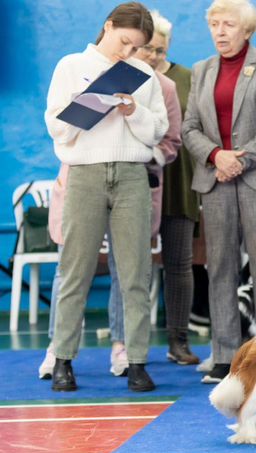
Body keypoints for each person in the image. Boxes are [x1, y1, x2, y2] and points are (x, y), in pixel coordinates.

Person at [44, 1, 168, 392]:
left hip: (132, 174)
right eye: (125, 41)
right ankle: (63, 359)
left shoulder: (143, 74)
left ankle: (136, 362)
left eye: (136, 48)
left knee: (135, 272)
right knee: (75, 269)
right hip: (85, 173)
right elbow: (57, 127)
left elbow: (158, 131)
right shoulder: (69, 66)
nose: (128, 53)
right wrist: (90, 106)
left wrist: (133, 111)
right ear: (108, 26)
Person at [183, 0, 256, 384]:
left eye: (228, 24)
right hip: (216, 180)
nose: (219, 31)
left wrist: (240, 160)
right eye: (214, 24)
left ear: (247, 30)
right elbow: (189, 128)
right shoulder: (201, 71)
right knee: (220, 268)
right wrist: (217, 156)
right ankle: (225, 354)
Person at [139, 10, 202, 365]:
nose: (152, 56)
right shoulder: (126, 78)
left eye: (159, 50)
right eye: (146, 48)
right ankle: (132, 347)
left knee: (179, 263)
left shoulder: (187, 78)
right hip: (141, 180)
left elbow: (196, 127)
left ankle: (178, 341)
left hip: (179, 181)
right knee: (134, 267)